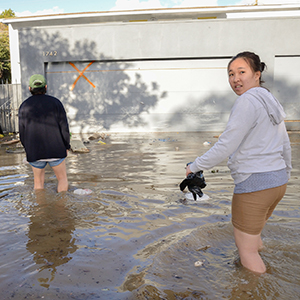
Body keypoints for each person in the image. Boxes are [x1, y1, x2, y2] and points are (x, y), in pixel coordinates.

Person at [185, 51, 292, 274]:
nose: (235, 79)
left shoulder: (247, 101)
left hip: (255, 183)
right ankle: (265, 271)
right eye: (231, 74)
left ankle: (256, 289)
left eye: (241, 72)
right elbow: (284, 143)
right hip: (277, 182)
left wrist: (194, 166)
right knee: (254, 240)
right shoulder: (269, 100)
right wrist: (285, 174)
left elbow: (226, 144)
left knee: (247, 251)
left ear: (256, 74)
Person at [19, 74, 70, 192]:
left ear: (29, 88)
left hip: (34, 151)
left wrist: (28, 149)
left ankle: (40, 209)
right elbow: (64, 128)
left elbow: (22, 132)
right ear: (45, 87)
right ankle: (62, 208)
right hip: (56, 149)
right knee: (62, 179)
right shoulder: (56, 103)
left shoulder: (24, 106)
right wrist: (67, 146)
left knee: (38, 184)